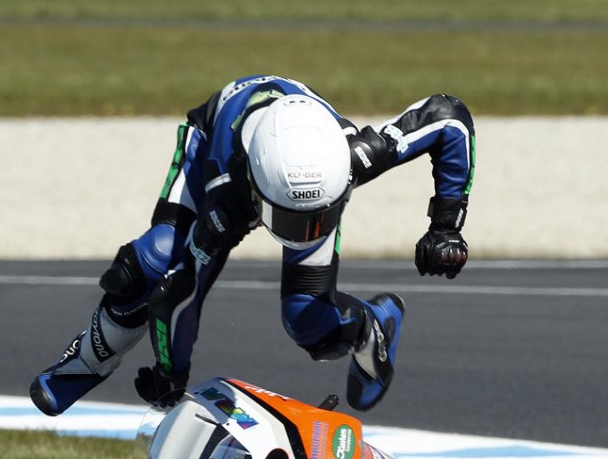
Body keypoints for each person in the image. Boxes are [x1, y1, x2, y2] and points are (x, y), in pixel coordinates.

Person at [30, 74, 474, 417]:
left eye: (319, 216)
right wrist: (172, 373)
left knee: (309, 321)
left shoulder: (350, 154)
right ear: (259, 195)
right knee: (149, 265)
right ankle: (85, 364)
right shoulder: (227, 199)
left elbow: (447, 116)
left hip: (289, 145)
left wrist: (446, 226)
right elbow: (180, 293)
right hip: (213, 141)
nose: (305, 231)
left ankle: (372, 327)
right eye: (292, 219)